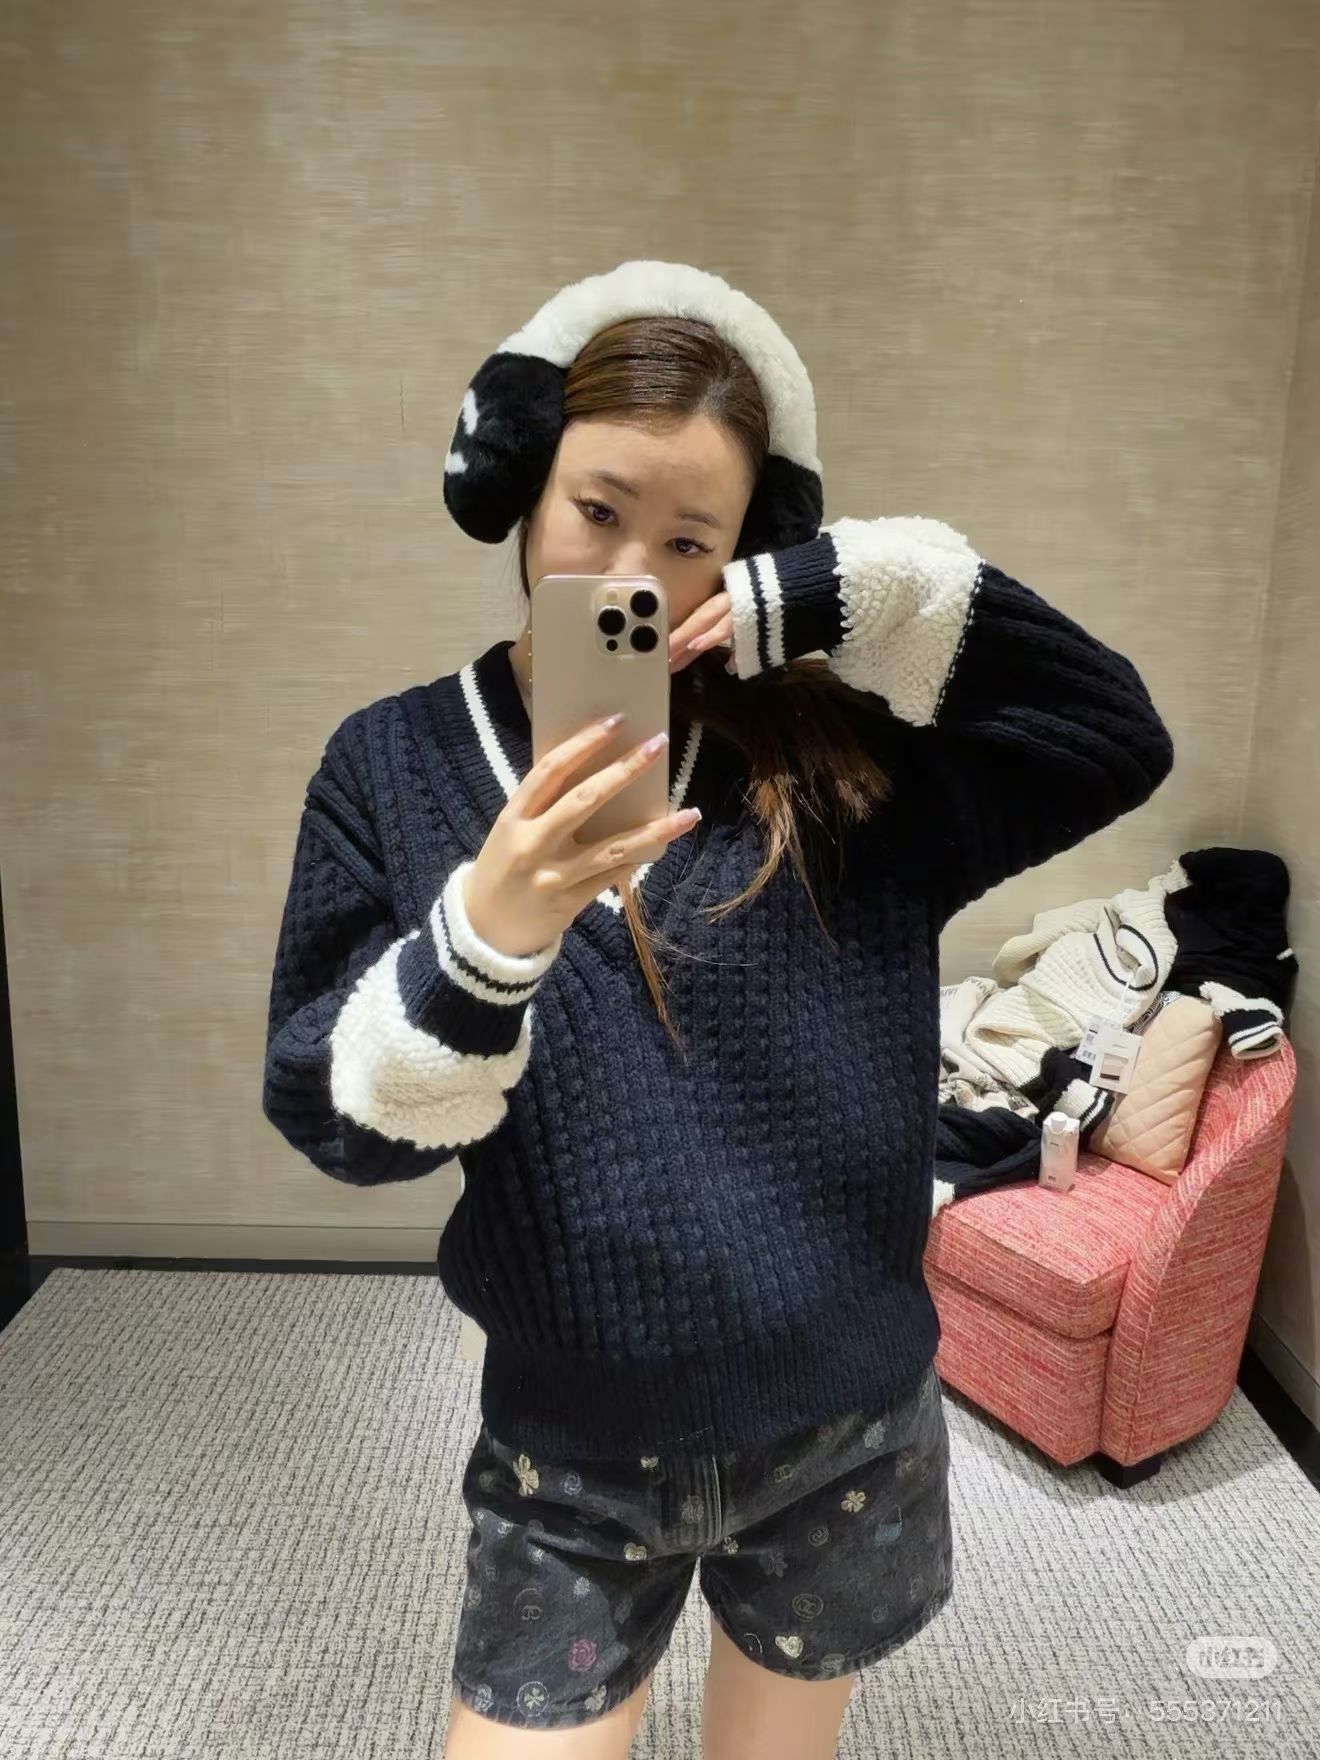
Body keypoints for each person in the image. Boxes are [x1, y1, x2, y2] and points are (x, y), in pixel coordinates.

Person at [262, 260, 1175, 1758]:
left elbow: (1112, 735)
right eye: (597, 509)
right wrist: (487, 938)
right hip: (569, 1450)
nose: (634, 570)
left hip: (846, 1433)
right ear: (517, 489)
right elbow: (333, 1123)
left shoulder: (842, 771)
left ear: (751, 553)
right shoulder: (390, 765)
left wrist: (848, 596)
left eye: (691, 539)